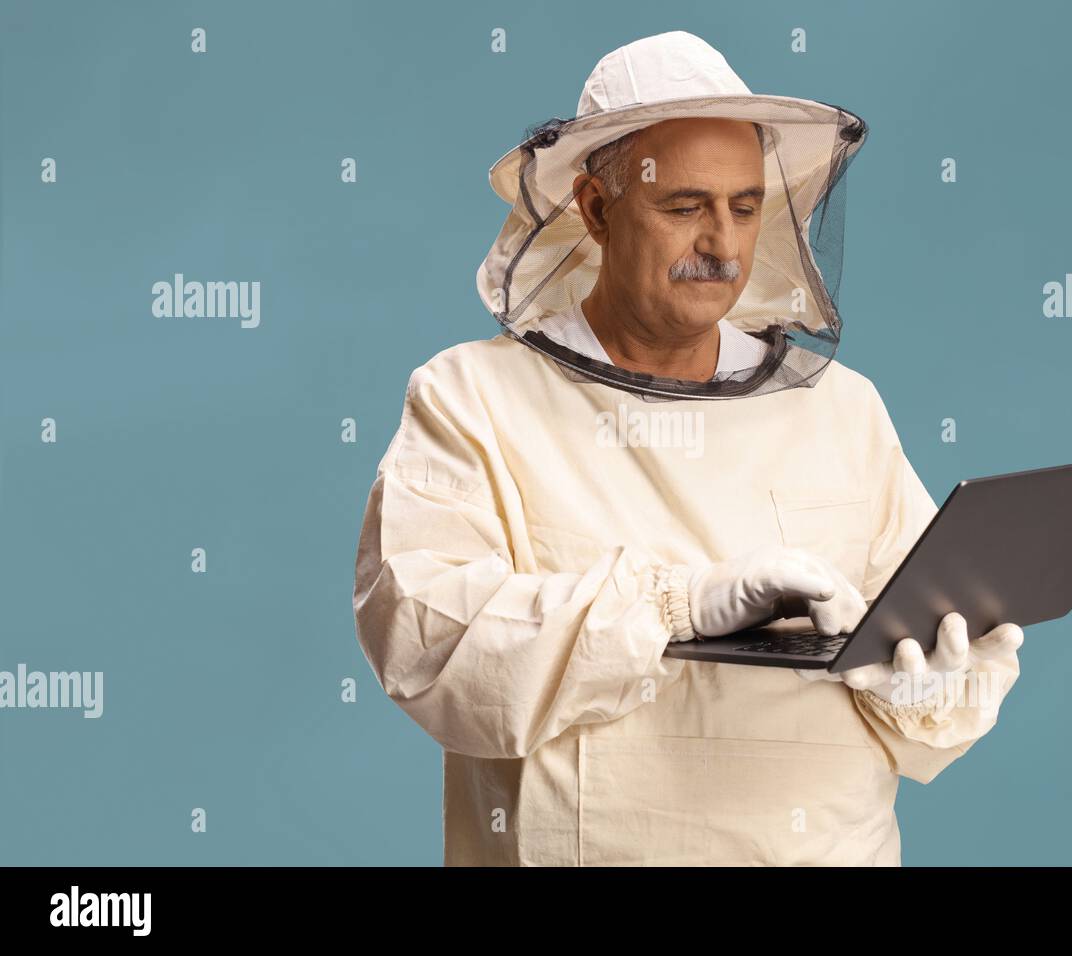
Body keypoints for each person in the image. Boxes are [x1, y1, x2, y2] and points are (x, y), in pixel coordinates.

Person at [352, 31, 1023, 866]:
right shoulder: (472, 401)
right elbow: (429, 648)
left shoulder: (843, 409)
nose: (723, 244)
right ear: (596, 209)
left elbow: (936, 655)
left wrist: (930, 680)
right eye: (684, 207)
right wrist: (680, 607)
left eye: (745, 207)